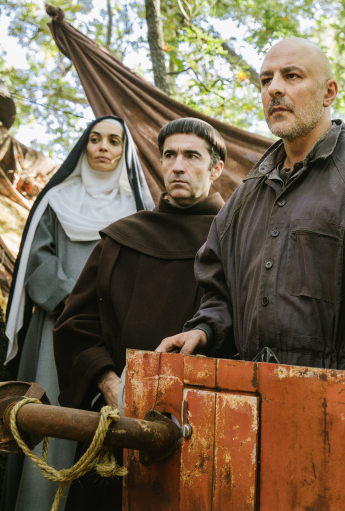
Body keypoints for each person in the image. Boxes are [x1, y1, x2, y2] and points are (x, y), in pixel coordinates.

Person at [156, 38, 345, 436]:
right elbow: (219, 293)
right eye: (266, 80)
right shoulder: (245, 196)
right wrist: (204, 330)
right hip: (250, 411)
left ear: (329, 93)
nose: (274, 88)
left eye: (291, 76)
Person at [52, 117, 225, 510]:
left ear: (216, 168)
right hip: (118, 424)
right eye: (170, 155)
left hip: (203, 429)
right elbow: (76, 324)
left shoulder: (236, 242)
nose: (177, 166)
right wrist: (108, 382)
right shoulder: (121, 238)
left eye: (191, 156)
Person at [2, 116, 154, 511]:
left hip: (111, 332)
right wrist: (73, 305)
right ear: (84, 146)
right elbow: (39, 260)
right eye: (95, 139)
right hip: (56, 325)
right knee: (49, 413)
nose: (103, 147)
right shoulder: (56, 200)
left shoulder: (138, 210)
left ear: (125, 152)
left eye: (114, 141)